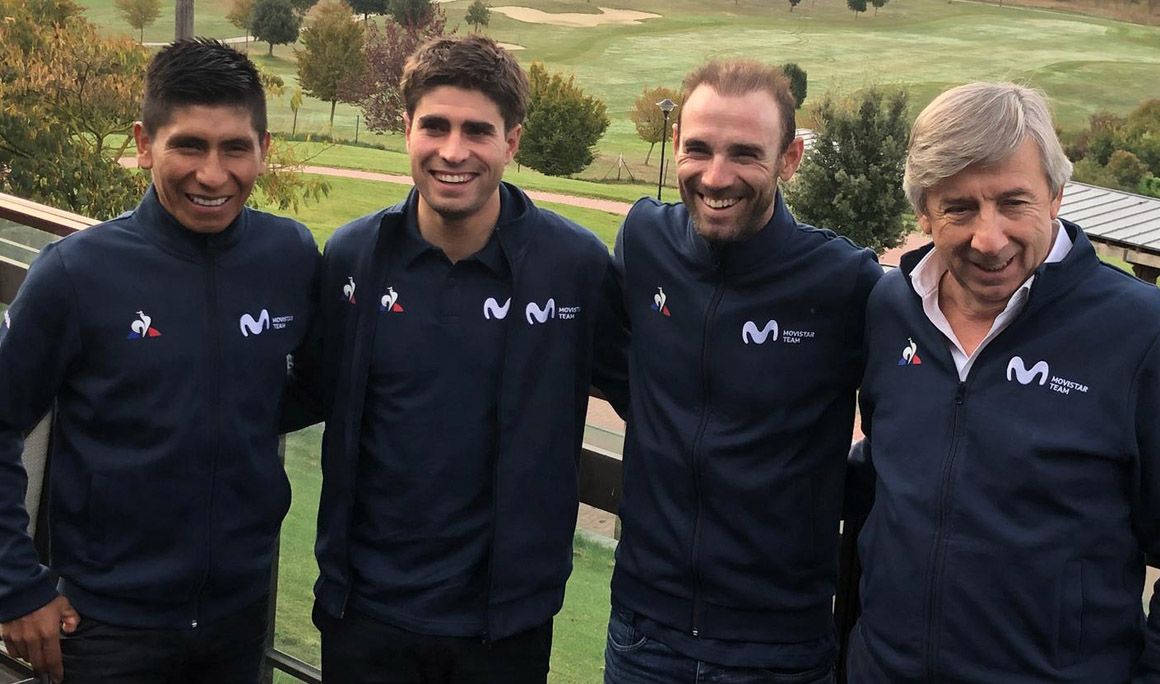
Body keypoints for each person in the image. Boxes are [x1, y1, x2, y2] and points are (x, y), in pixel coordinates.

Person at [307, 35, 627, 683]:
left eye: (478, 131)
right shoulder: (353, 259)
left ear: (511, 141)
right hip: (365, 613)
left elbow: (649, 399)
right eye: (435, 126)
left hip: (505, 625)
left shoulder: (575, 269)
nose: (453, 151)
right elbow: (304, 388)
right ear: (406, 130)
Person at [0, 39, 319, 683]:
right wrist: (14, 585)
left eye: (236, 147)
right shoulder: (75, 272)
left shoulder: (289, 255)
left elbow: (309, 385)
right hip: (102, 624)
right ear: (145, 144)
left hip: (238, 615)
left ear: (265, 150)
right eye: (189, 146)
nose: (213, 174)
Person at [847, 82, 1160, 682]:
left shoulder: (1139, 335)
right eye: (959, 208)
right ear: (923, 212)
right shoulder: (890, 309)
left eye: (1014, 202)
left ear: (1057, 195)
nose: (988, 239)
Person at [605, 59, 882, 684]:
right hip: (645, 634)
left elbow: (910, 416)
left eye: (745, 154)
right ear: (675, 145)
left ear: (791, 158)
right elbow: (613, 365)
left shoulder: (845, 282)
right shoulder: (643, 240)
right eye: (698, 149)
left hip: (780, 648)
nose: (716, 176)